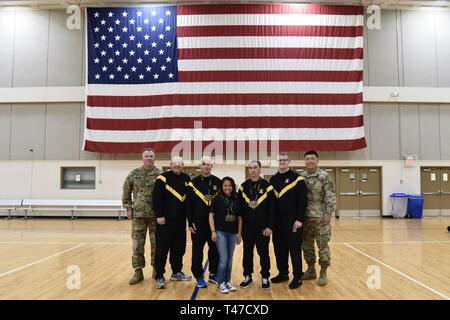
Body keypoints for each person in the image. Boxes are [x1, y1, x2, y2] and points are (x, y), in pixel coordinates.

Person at [122, 148, 161, 285]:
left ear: (154, 158)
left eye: (151, 156)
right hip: (138, 215)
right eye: (146, 156)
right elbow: (126, 190)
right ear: (142, 158)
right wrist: (128, 208)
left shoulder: (160, 174)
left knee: (157, 244)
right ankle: (138, 271)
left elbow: (165, 195)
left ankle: (157, 270)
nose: (149, 158)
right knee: (137, 245)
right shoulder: (134, 174)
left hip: (155, 215)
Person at [270, 152, 308, 289]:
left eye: (284, 160)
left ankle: (298, 276)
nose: (282, 162)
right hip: (278, 221)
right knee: (279, 248)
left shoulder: (297, 178)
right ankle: (283, 273)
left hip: (292, 220)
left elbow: (303, 200)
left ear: (289, 162)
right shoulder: (273, 179)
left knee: (294, 249)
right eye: (280, 160)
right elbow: (271, 203)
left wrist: (299, 219)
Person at [153, 156, 192, 289]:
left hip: (180, 221)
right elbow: (156, 198)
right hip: (165, 221)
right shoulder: (162, 178)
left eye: (179, 164)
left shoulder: (186, 179)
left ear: (182, 165)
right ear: (170, 165)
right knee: (162, 249)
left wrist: (190, 219)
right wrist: (159, 215)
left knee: (179, 248)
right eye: (174, 163)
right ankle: (159, 275)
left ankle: (176, 272)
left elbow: (188, 201)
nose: (177, 165)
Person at [238, 160, 275, 290]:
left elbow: (272, 209)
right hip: (247, 228)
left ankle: (265, 277)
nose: (253, 170)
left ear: (260, 169)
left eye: (255, 167)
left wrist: (270, 226)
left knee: (263, 253)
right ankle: (247, 276)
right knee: (247, 253)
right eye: (251, 168)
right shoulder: (243, 187)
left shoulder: (267, 186)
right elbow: (240, 210)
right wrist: (240, 230)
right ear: (249, 170)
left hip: (263, 227)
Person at [301, 151, 336, 286]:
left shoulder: (324, 176)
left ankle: (323, 272)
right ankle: (311, 270)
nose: (310, 161)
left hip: (320, 218)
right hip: (305, 218)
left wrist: (328, 214)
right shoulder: (301, 177)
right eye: (307, 159)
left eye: (312, 158)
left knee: (322, 245)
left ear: (317, 160)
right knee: (307, 246)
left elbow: (331, 196)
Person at [186, 156, 221, 288]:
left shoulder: (218, 182)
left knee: (214, 250)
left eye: (208, 165)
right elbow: (188, 204)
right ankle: (198, 276)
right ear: (200, 167)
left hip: (214, 224)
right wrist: (190, 222)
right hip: (198, 223)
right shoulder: (192, 183)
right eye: (204, 164)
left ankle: (213, 274)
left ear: (211, 166)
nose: (206, 167)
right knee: (197, 251)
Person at [209, 176, 243, 294]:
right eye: (225, 186)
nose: (227, 188)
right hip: (220, 232)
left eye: (229, 185)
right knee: (223, 259)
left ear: (233, 187)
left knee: (229, 260)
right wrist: (213, 231)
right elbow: (211, 216)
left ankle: (227, 281)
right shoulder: (217, 199)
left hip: (233, 233)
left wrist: (239, 234)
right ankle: (220, 283)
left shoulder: (236, 199)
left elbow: (240, 219)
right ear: (221, 187)